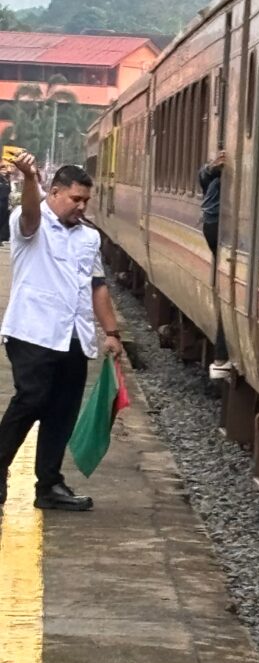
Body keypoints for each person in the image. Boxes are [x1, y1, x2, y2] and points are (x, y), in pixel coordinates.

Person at [0, 158, 122, 512]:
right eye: (74, 198)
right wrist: (27, 179)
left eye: (86, 200)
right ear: (53, 193)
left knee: (62, 411)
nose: (81, 206)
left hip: (74, 336)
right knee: (32, 399)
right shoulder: (32, 226)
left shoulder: (89, 237)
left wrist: (111, 333)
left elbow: (97, 286)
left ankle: (49, 484)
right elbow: (28, 216)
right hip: (32, 331)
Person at [198, 150, 230, 379]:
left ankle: (221, 356)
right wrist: (211, 168)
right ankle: (221, 354)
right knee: (227, 289)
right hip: (218, 223)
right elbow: (203, 177)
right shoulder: (218, 168)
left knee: (226, 288)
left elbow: (202, 178)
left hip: (213, 221)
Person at [0, 165, 11, 246]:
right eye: (2, 169)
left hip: (5, 203)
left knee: (2, 220)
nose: (4, 171)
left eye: (5, 169)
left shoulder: (7, 180)